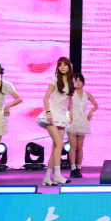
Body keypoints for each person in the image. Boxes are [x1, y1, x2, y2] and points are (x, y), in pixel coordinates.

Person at [36, 57, 74, 186]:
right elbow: (46, 98)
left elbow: (70, 100)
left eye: (65, 65)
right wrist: (48, 112)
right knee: (59, 144)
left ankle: (47, 178)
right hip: (52, 113)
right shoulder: (55, 80)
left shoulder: (71, 82)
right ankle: (58, 175)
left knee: (56, 147)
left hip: (62, 115)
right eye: (60, 65)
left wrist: (71, 112)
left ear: (69, 67)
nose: (62, 67)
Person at [67, 73, 99, 178]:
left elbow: (96, 105)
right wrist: (70, 114)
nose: (77, 82)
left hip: (82, 120)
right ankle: (73, 168)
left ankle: (78, 167)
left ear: (83, 82)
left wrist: (90, 113)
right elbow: (69, 106)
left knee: (80, 146)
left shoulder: (87, 94)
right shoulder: (70, 93)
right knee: (73, 145)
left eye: (79, 80)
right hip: (72, 119)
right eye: (75, 80)